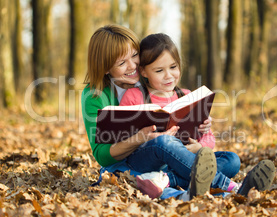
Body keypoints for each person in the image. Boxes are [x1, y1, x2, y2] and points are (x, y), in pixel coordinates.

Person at [119, 33, 275, 199]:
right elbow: (122, 139)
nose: (169, 75)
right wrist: (149, 138)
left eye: (173, 67)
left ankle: (164, 181)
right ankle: (232, 187)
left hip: (183, 162)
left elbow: (209, 138)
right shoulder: (134, 96)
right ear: (143, 71)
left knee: (232, 159)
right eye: (159, 70)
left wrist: (200, 147)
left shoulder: (186, 96)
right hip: (148, 160)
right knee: (164, 142)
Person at [81, 24, 218, 199]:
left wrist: (200, 124)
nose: (133, 66)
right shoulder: (94, 95)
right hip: (126, 165)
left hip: (164, 161)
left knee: (230, 161)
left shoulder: (151, 80)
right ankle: (222, 185)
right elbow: (102, 155)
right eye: (122, 63)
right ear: (106, 68)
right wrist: (140, 138)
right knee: (163, 146)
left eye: (134, 55)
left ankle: (168, 180)